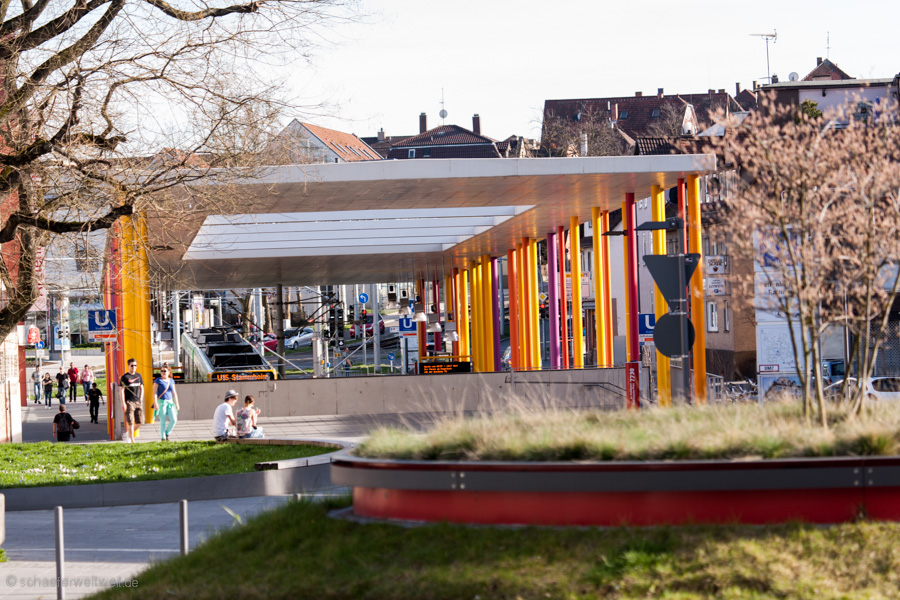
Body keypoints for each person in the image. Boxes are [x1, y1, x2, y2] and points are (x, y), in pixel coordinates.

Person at [119, 358, 144, 443]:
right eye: (132, 365)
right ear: (128, 366)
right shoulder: (125, 377)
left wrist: (141, 398)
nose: (134, 367)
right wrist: (123, 403)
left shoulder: (139, 376)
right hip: (129, 402)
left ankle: (129, 434)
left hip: (137, 401)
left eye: (135, 365)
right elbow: (121, 390)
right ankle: (132, 440)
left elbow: (142, 387)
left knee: (140, 421)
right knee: (131, 422)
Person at [153, 366, 180, 441]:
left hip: (170, 402)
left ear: (169, 372)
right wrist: (155, 403)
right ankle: (163, 437)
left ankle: (167, 433)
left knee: (174, 419)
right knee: (163, 421)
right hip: (161, 402)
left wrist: (177, 403)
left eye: (165, 371)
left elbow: (174, 392)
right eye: (162, 371)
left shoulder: (171, 380)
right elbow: (154, 392)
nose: (163, 372)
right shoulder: (158, 380)